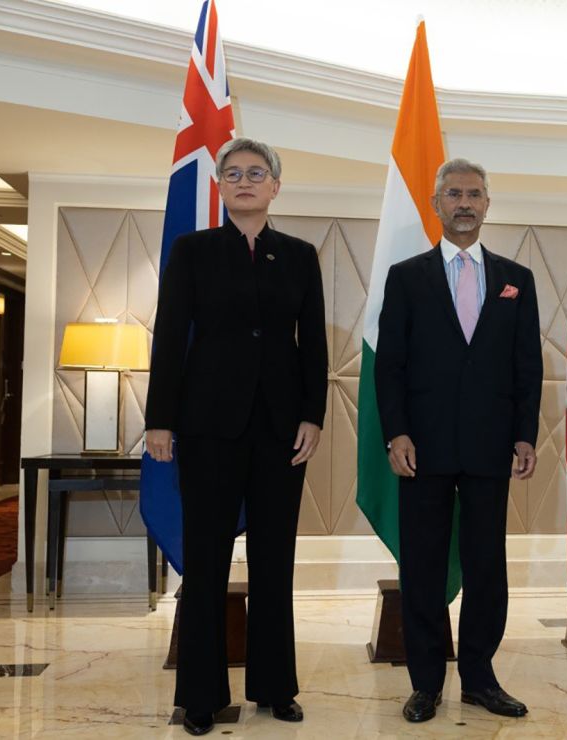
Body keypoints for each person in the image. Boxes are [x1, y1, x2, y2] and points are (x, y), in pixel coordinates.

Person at [144, 137, 328, 736]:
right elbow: (170, 335)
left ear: (275, 186)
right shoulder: (193, 251)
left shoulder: (300, 256)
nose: (244, 181)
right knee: (206, 564)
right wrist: (159, 419)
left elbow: (314, 346)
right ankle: (200, 695)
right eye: (233, 173)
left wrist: (313, 415)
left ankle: (276, 687)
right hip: (206, 427)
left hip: (281, 431)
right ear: (221, 187)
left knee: (275, 561)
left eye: (256, 173)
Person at [374, 158, 542, 723]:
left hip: (491, 449)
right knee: (421, 568)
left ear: (488, 204)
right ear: (436, 203)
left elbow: (527, 367)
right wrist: (395, 431)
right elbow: (390, 366)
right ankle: (426, 683)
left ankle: (480, 677)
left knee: (486, 567)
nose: (464, 202)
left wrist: (524, 435)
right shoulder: (407, 276)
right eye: (453, 194)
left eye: (474, 193)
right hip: (421, 449)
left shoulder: (518, 278)